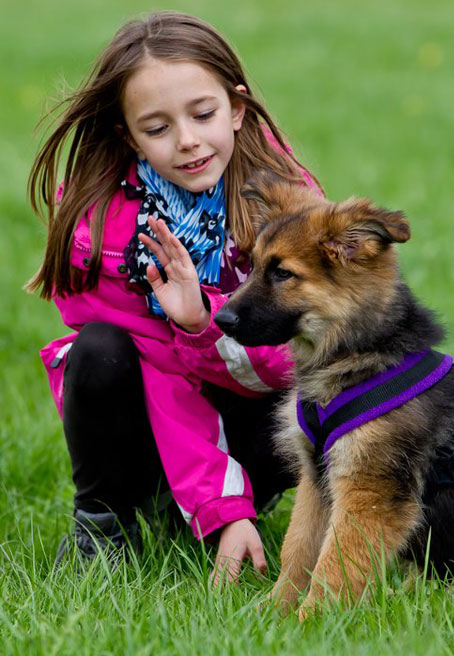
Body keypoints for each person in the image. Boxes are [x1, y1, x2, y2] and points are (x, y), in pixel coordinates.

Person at [27, 10, 322, 582]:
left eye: (203, 114)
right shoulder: (111, 230)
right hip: (153, 418)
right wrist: (221, 506)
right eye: (157, 128)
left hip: (245, 396)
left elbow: (295, 361)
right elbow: (165, 380)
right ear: (127, 135)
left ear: (236, 108)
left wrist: (204, 323)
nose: (187, 141)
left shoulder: (285, 206)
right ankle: (104, 523)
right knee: (100, 350)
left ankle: (221, 511)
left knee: (310, 391)